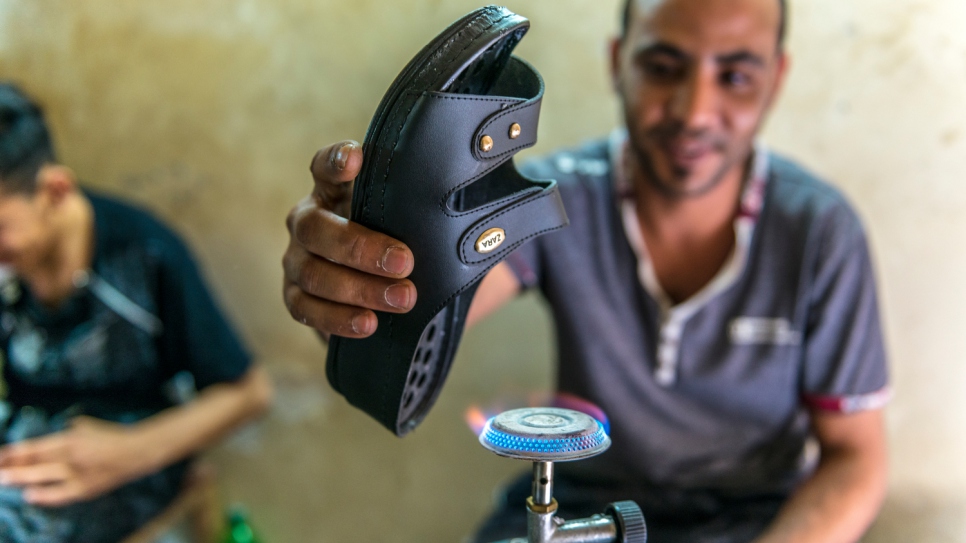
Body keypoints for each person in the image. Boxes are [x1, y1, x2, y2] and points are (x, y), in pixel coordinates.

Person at [282, 0, 890, 541]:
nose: (695, 111)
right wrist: (355, 283)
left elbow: (855, 458)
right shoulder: (556, 198)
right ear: (618, 60)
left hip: (754, 519)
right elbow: (420, 313)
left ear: (776, 79)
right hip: (584, 503)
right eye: (662, 66)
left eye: (734, 76)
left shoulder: (820, 231)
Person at [0, 83, 273, 542]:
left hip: (131, 458)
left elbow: (250, 393)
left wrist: (128, 453)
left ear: (54, 190)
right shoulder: (11, 264)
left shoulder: (144, 254)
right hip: (30, 451)